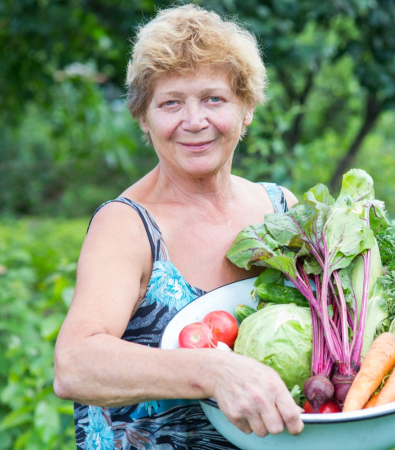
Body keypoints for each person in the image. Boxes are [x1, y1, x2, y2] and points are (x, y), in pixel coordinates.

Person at [53, 4, 304, 449]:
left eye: (214, 99)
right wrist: (212, 371)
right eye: (171, 103)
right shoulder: (126, 225)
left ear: (246, 109)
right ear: (144, 120)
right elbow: (75, 365)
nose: (194, 121)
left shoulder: (281, 209)